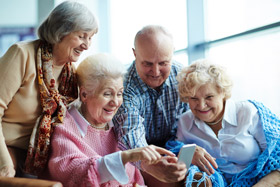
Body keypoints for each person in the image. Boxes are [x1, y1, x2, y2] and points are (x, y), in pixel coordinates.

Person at [0, 1, 98, 177]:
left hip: (39, 156)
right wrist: (5, 163)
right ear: (61, 31)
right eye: (82, 36)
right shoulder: (22, 54)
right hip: (6, 149)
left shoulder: (71, 74)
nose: (87, 45)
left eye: (90, 38)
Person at [47, 53, 176, 187]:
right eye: (107, 94)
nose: (115, 102)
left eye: (119, 94)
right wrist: (126, 156)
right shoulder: (66, 127)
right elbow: (75, 174)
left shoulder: (119, 123)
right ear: (84, 94)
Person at [112, 25, 218, 186]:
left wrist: (189, 151)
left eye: (163, 63)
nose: (155, 72)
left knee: (203, 182)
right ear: (135, 54)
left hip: (179, 149)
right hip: (142, 159)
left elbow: (196, 123)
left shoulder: (183, 77)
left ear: (172, 53)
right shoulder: (123, 88)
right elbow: (131, 138)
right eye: (147, 63)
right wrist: (151, 164)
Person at [175, 59, 280, 186]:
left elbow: (276, 154)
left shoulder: (247, 111)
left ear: (223, 92)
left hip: (258, 180)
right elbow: (179, 164)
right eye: (194, 98)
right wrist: (189, 152)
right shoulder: (184, 121)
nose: (202, 106)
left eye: (209, 97)